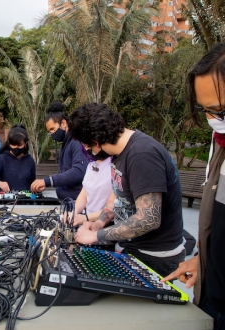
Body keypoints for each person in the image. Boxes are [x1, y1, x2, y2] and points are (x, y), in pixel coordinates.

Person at [68, 102, 185, 277]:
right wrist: (99, 222)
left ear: (96, 142)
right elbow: (118, 198)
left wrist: (97, 235)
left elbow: (149, 218)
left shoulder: (142, 154)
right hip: (131, 247)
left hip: (153, 257)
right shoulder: (119, 152)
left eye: (87, 146)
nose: (88, 151)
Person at [162, 42, 225, 329]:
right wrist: (202, 260)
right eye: (206, 111)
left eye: (220, 111)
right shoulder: (219, 142)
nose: (213, 121)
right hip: (213, 297)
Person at [30, 101, 88, 200]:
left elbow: (79, 171)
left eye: (53, 129)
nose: (52, 134)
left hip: (77, 201)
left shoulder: (76, 142)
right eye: (50, 132)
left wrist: (47, 181)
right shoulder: (65, 145)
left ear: (63, 123)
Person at [0, 124, 36, 192]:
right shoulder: (2, 159)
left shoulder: (30, 161)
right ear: (9, 143)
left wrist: (37, 187)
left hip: (25, 200)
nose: (16, 147)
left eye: (19, 145)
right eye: (13, 144)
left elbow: (33, 184)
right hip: (5, 200)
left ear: (26, 143)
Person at [70, 155, 113, 226]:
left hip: (109, 224)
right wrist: (74, 213)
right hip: (88, 221)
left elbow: (113, 206)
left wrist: (85, 218)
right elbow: (85, 193)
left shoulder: (114, 165)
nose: (87, 149)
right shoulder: (92, 163)